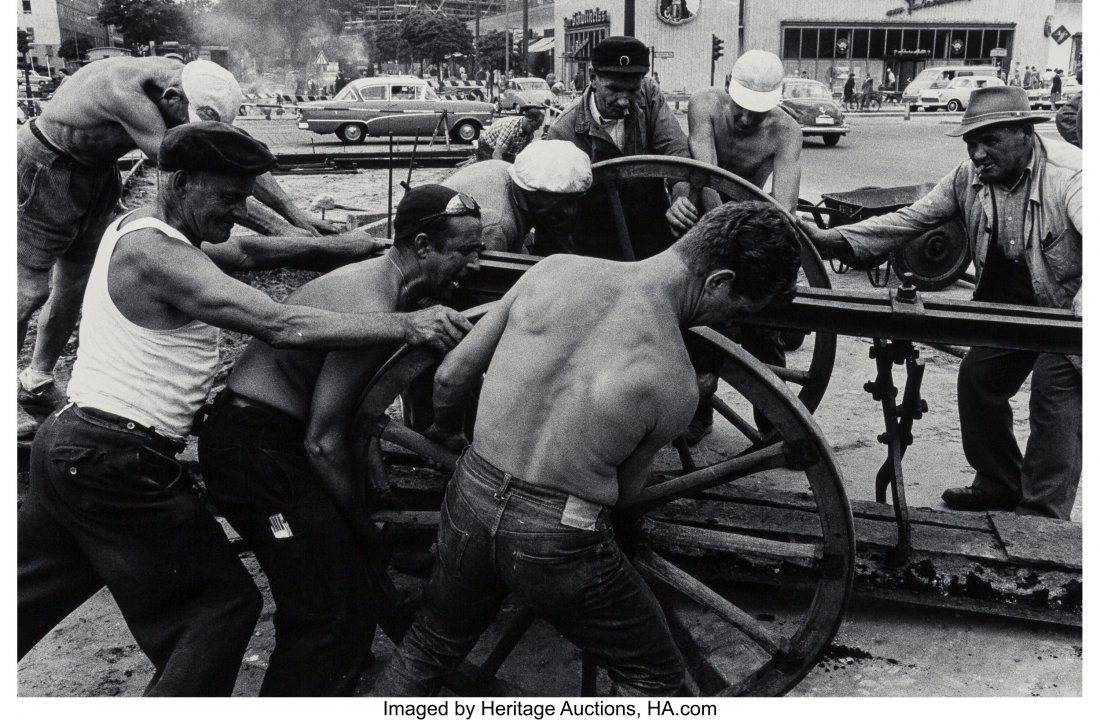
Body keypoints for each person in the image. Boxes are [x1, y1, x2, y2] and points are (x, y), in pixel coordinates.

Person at [16, 122, 471, 695]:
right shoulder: (158, 256)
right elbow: (280, 324)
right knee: (220, 609)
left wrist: (338, 244)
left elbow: (251, 249)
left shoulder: (148, 230)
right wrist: (406, 322)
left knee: (28, 594)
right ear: (180, 182)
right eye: (227, 198)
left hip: (72, 448)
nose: (237, 214)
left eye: (244, 198)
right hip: (116, 460)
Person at [373, 200, 803, 697]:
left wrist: (450, 435)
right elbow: (621, 494)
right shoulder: (676, 382)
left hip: (469, 497)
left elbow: (449, 379)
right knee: (656, 681)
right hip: (557, 540)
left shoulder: (553, 270)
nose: (730, 320)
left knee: (429, 647)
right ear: (719, 282)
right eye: (738, 309)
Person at [197, 185, 485, 696]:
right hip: (254, 452)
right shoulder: (372, 304)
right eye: (464, 251)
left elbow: (351, 421)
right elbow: (324, 442)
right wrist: (359, 516)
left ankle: (342, 673)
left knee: (344, 584)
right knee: (324, 608)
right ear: (422, 246)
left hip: (268, 440)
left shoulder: (387, 287)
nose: (476, 263)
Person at [799, 86, 1081, 520]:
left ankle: (1043, 517)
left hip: (1073, 303)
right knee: (978, 378)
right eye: (972, 143)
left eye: (991, 140)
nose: (978, 153)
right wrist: (832, 240)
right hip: (1010, 292)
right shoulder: (969, 175)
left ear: (1025, 134)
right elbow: (910, 220)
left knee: (1054, 395)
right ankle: (999, 483)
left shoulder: (1073, 174)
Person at [16, 57, 331, 438]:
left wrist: (297, 216)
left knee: (73, 285)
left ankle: (37, 380)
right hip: (44, 165)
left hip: (97, 174)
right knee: (28, 290)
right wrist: (283, 230)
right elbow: (203, 176)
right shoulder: (124, 94)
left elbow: (228, 155)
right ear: (171, 97)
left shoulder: (185, 78)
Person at [675, 49, 803, 442]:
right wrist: (724, 239)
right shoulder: (705, 104)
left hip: (750, 228)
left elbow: (784, 207)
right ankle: (696, 415)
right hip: (703, 220)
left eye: (758, 112)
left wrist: (763, 256)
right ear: (727, 84)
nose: (746, 119)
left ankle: (774, 421)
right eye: (741, 108)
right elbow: (708, 176)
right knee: (696, 318)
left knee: (763, 323)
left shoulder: (786, 131)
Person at [547, 35, 692, 259]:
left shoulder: (650, 93)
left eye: (632, 90)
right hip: (595, 241)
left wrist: (680, 196)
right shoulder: (562, 132)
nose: (624, 100)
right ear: (593, 78)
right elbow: (557, 210)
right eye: (614, 89)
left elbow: (675, 148)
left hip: (652, 227)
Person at [445, 140, 592, 254]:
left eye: (575, 201)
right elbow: (485, 285)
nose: (570, 211)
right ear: (533, 192)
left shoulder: (510, 172)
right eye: (563, 203)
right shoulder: (497, 228)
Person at [476, 104, 545, 162]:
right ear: (530, 121)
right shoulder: (510, 128)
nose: (537, 129)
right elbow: (497, 154)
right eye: (536, 126)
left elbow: (521, 153)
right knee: (490, 170)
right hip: (487, 145)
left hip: (505, 149)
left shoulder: (529, 131)